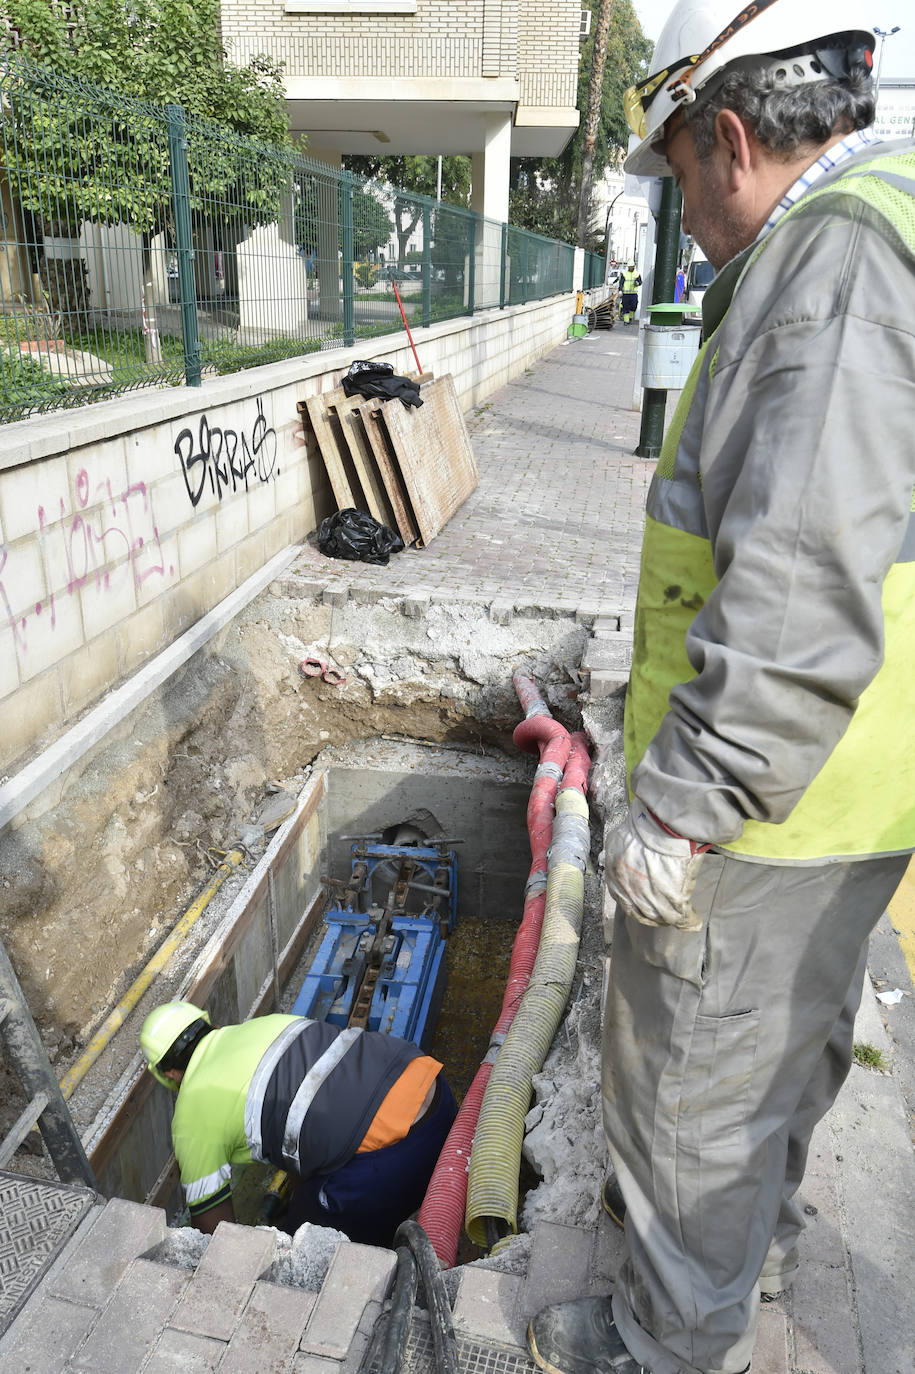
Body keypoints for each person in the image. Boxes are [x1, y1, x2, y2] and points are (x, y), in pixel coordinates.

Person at [528, 2, 914, 1372]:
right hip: (845, 789)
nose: (676, 211)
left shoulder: (831, 267)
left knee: (689, 1109)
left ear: (728, 138)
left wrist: (677, 814)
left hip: (761, 815)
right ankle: (739, 1290)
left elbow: (799, 577)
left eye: (672, 174)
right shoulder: (878, 225)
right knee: (772, 1079)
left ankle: (662, 1345)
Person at [140, 1002, 456, 1245]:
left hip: (393, 1163)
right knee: (307, 1203)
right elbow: (306, 1108)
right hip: (441, 1099)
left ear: (165, 1073)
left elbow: (212, 1226)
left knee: (300, 1248)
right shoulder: (267, 1024)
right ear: (210, 1023)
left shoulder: (191, 1114)